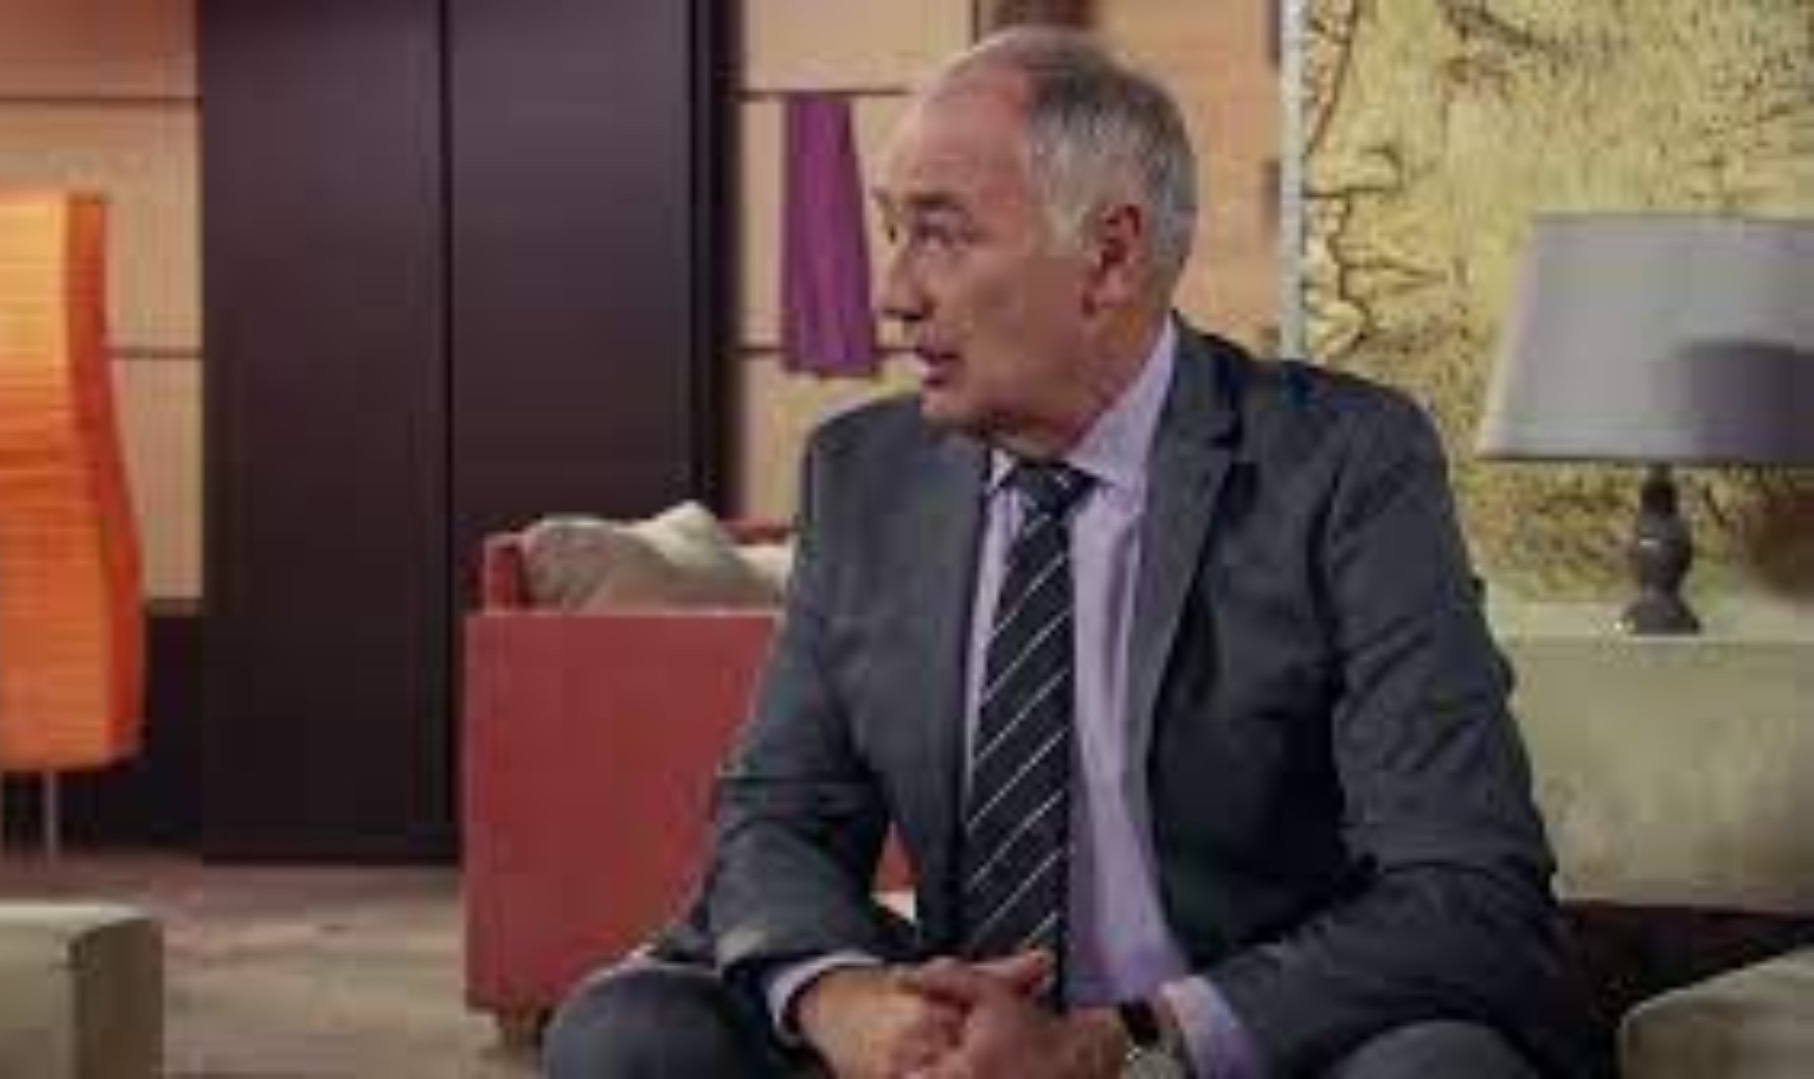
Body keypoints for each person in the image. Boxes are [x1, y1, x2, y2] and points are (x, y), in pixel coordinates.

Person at [542, 27, 1593, 1079]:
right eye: (893, 231)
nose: (893, 294)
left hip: (1223, 1044)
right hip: (958, 1038)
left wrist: (1110, 1042)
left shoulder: (1343, 462)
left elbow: (1469, 885)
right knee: (625, 1029)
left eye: (942, 235)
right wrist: (849, 1001)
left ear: (1110, 257)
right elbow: (779, 817)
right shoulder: (865, 475)